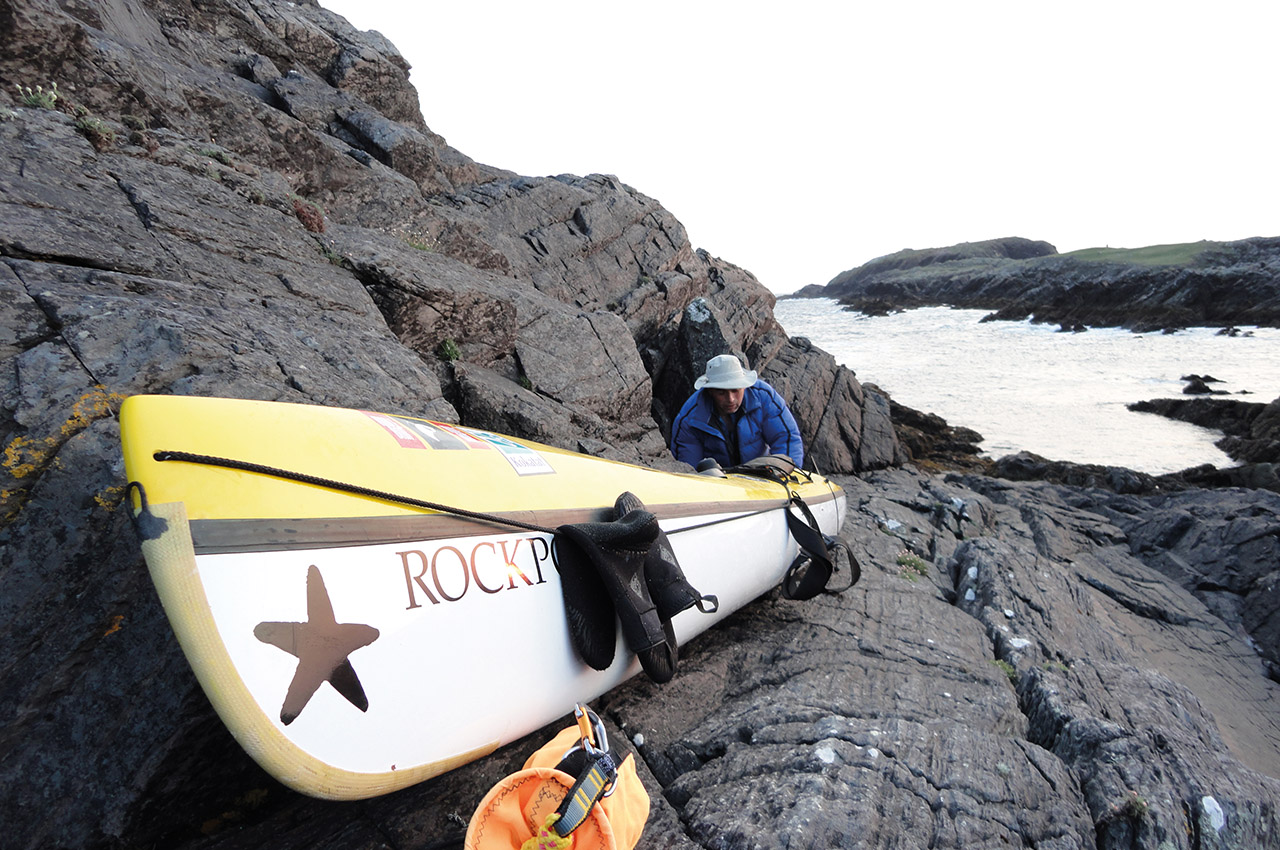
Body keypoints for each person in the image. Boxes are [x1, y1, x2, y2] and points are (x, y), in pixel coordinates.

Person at [670, 354, 804, 468]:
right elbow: (688, 468)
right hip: (716, 481)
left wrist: (784, 474)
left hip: (762, 474)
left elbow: (786, 438)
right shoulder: (690, 419)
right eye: (721, 392)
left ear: (744, 386)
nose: (731, 399)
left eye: (735, 390)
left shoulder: (763, 397)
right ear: (710, 391)